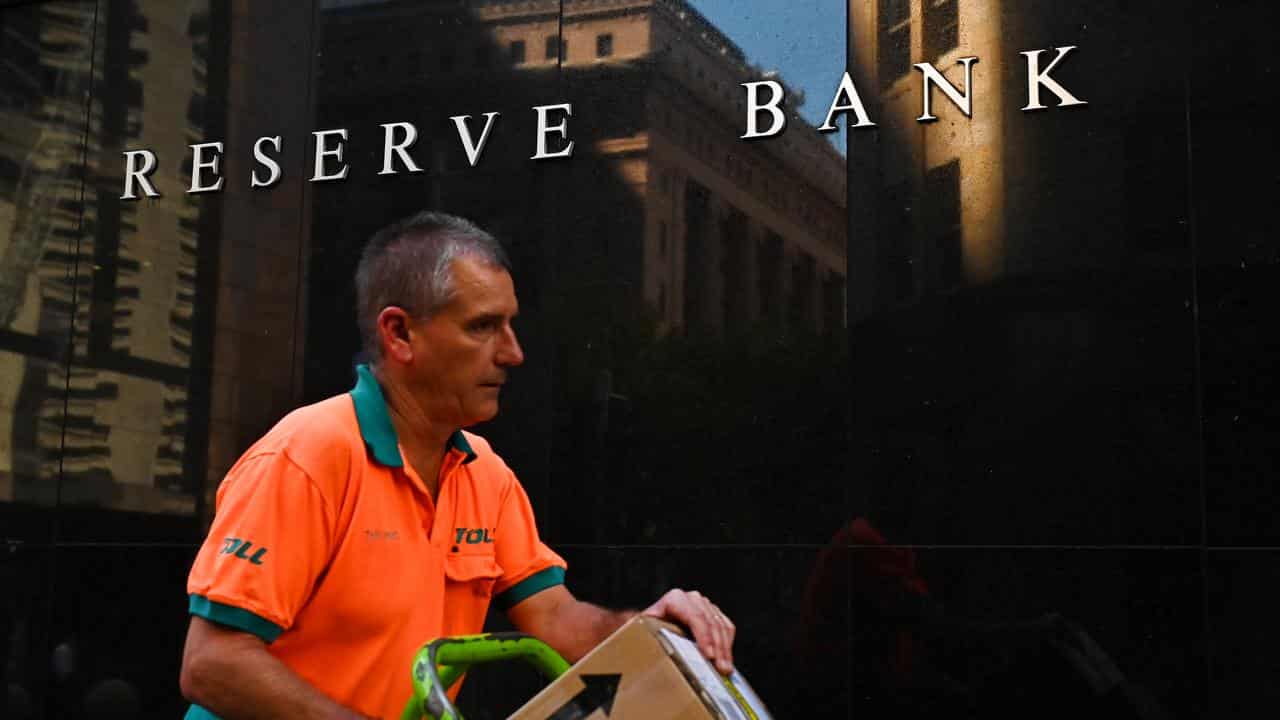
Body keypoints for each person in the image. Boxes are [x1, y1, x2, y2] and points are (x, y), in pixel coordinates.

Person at [179, 212, 735, 719]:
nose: (513, 352)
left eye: (511, 324)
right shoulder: (308, 454)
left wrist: (654, 628)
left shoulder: (485, 473)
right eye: (482, 326)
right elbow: (210, 663)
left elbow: (555, 619)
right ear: (398, 334)